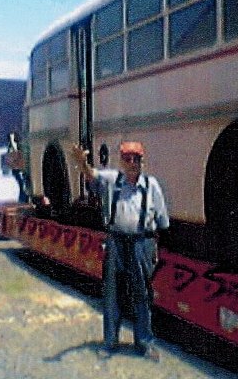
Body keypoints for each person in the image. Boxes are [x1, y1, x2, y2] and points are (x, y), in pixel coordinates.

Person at [72, 141, 169, 362]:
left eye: (136, 158)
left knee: (142, 294)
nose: (132, 163)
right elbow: (90, 175)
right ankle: (110, 342)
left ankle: (144, 343)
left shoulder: (151, 185)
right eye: (127, 158)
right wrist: (82, 162)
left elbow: (162, 221)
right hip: (116, 241)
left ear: (142, 161)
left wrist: (154, 250)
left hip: (142, 243)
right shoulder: (112, 180)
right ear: (121, 161)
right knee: (112, 293)